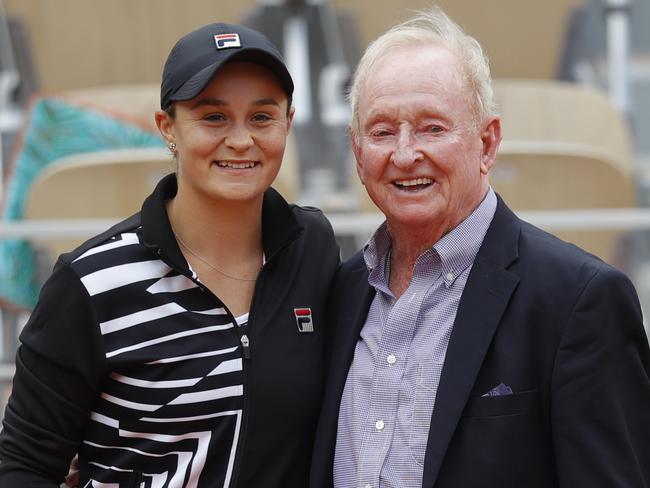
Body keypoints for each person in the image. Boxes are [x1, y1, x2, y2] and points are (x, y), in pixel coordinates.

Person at [310, 7, 650, 487]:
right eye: (382, 131)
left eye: (432, 127)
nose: (405, 155)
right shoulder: (341, 291)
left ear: (487, 143)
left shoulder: (577, 300)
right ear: (357, 150)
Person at [0, 22, 339, 487]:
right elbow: (24, 466)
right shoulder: (92, 283)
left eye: (262, 117)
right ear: (168, 129)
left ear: (287, 123)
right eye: (213, 117)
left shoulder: (313, 249)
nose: (241, 140)